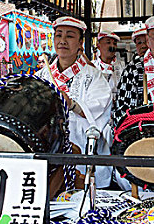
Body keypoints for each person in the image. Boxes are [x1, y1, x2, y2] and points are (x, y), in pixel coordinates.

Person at [35, 16, 112, 189]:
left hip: (85, 157)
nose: (62, 41)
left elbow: (100, 112)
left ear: (80, 43)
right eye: (58, 35)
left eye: (69, 36)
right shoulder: (42, 76)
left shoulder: (94, 76)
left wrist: (72, 105)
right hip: (51, 155)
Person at [92, 31, 124, 100]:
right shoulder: (92, 67)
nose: (112, 46)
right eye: (108, 42)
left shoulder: (123, 67)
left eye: (114, 44)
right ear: (98, 45)